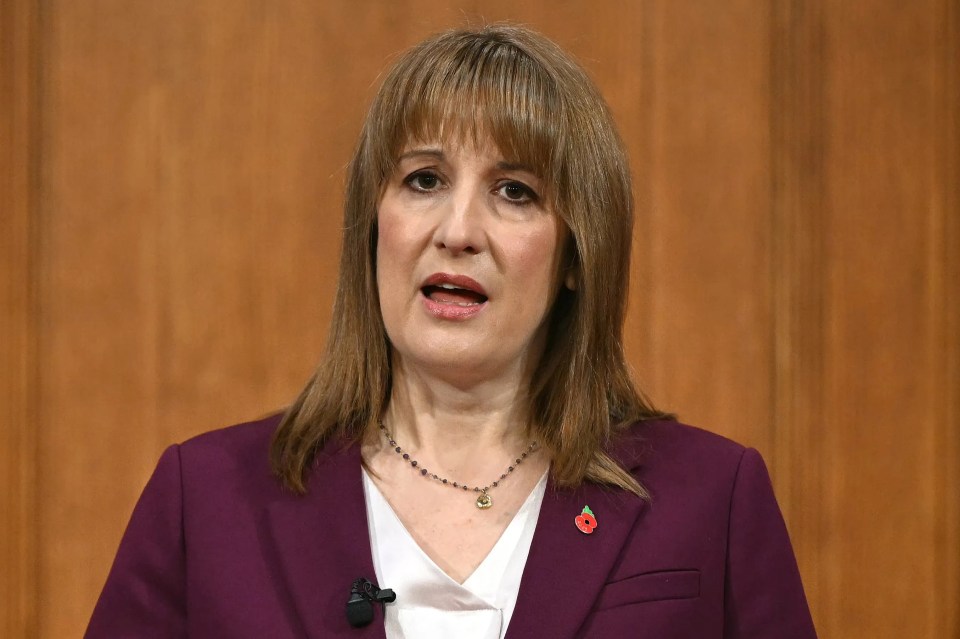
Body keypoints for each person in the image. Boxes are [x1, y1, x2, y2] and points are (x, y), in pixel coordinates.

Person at [86, 24, 817, 638]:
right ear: (374, 224)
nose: (459, 231)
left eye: (515, 191)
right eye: (424, 180)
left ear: (573, 253)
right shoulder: (207, 500)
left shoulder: (711, 499)